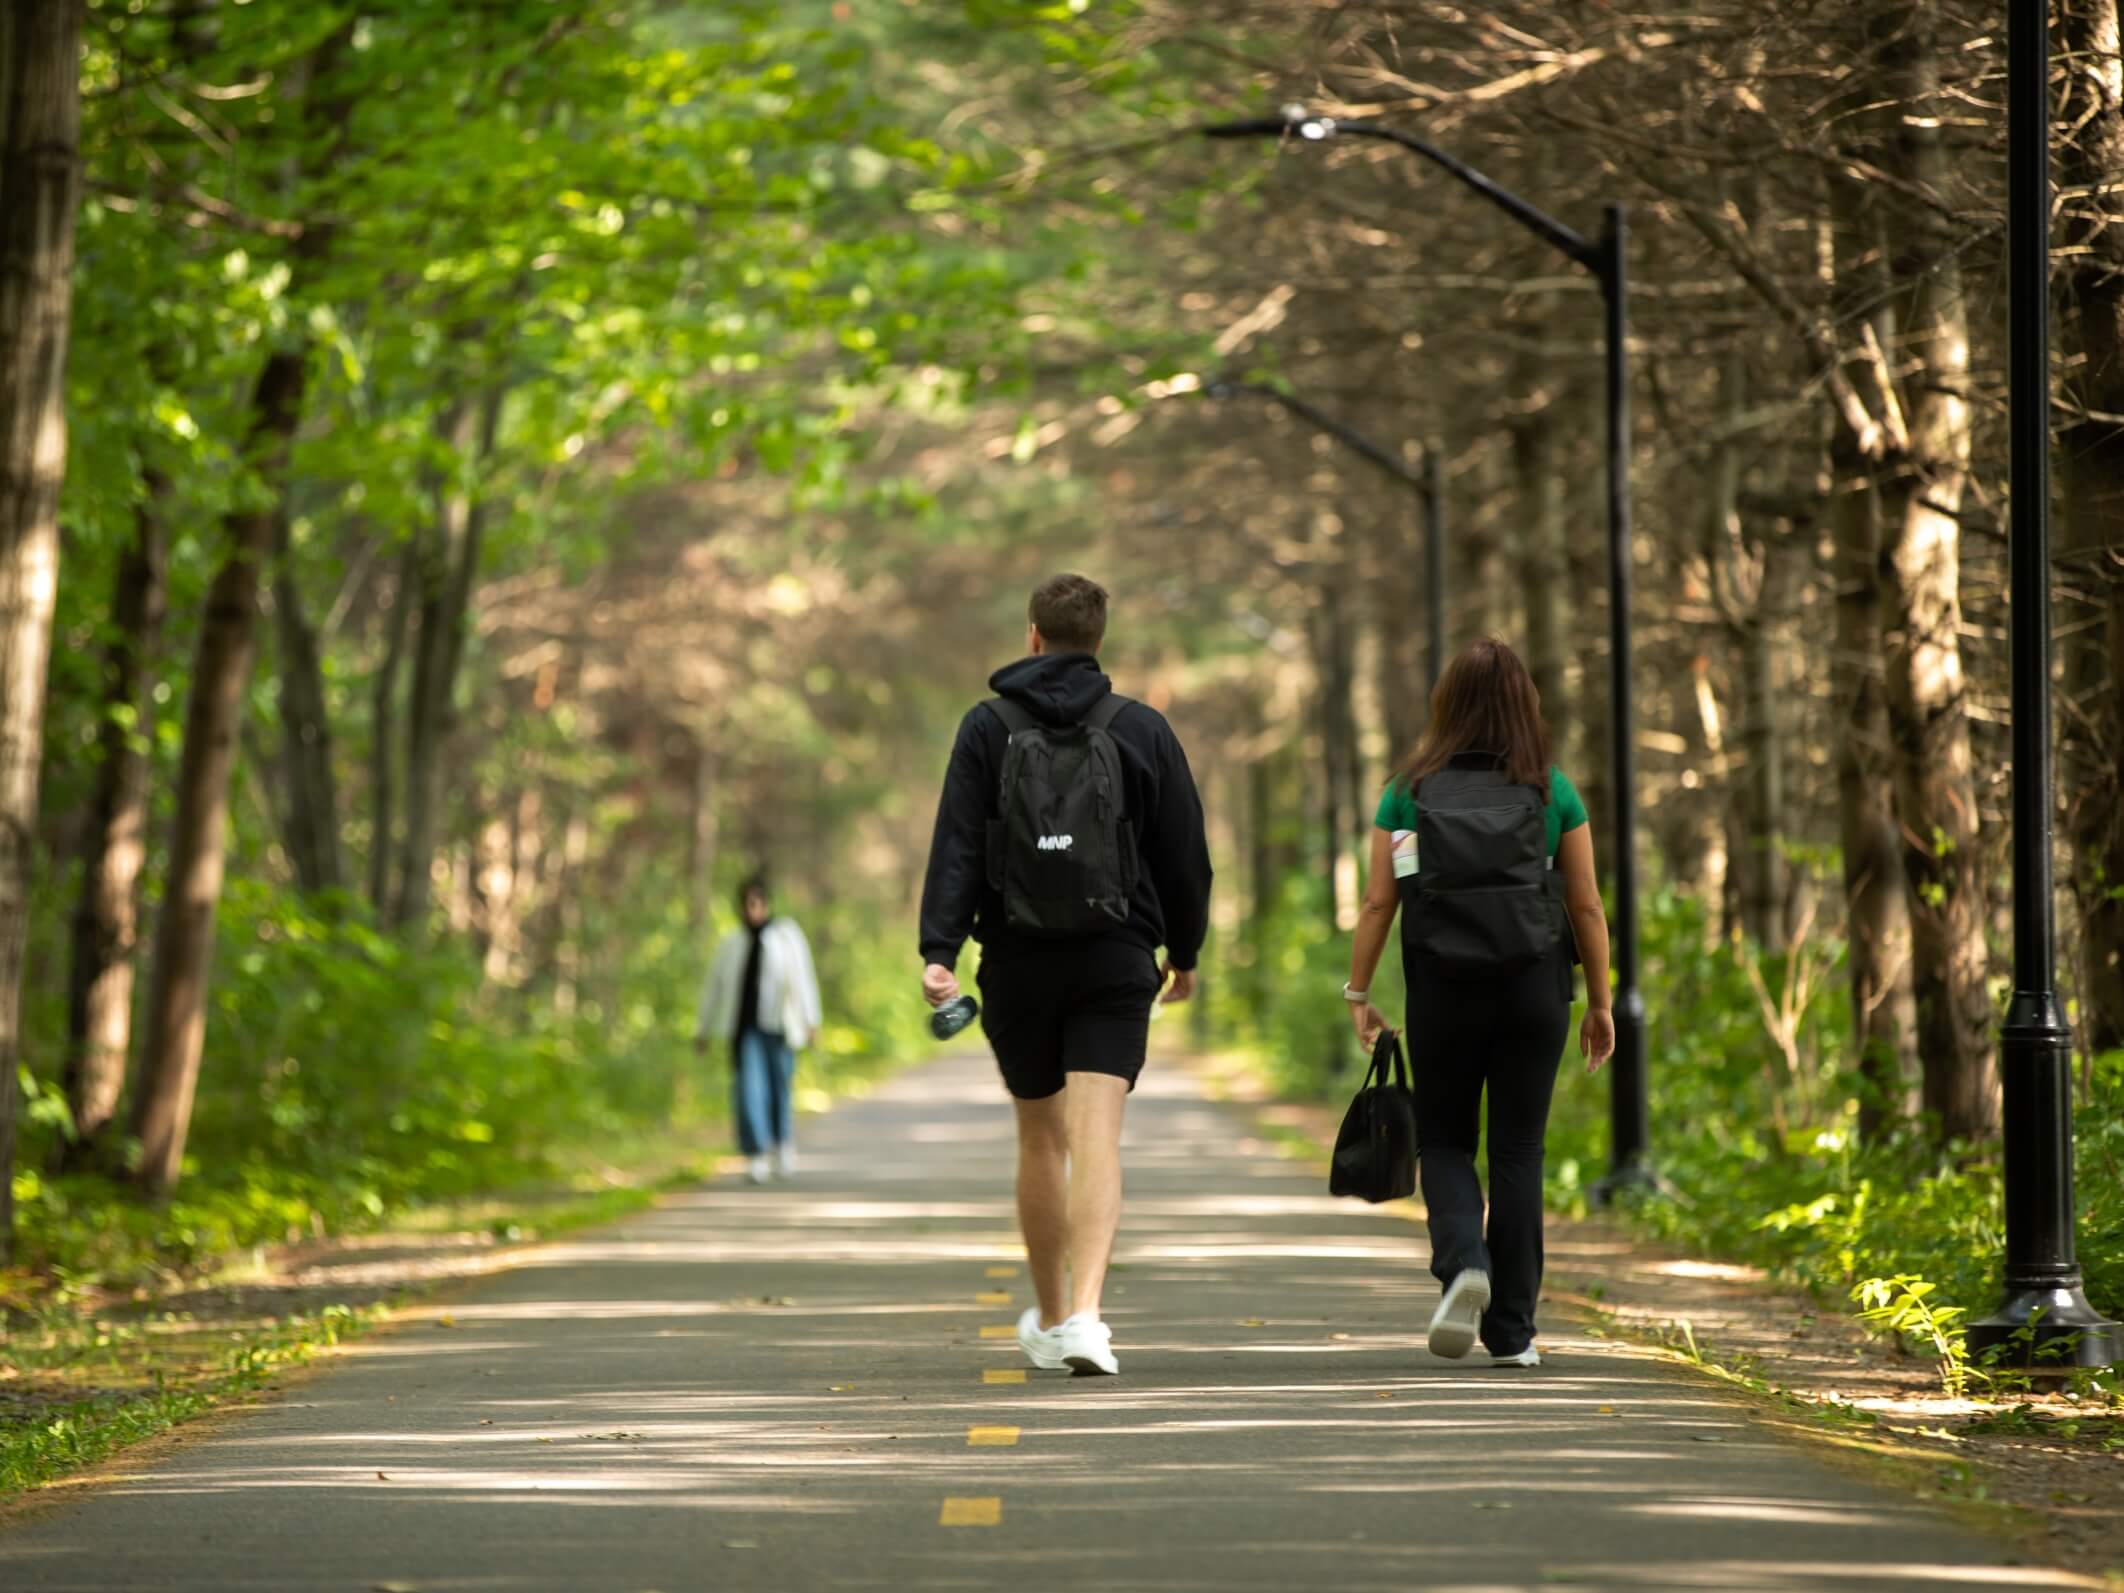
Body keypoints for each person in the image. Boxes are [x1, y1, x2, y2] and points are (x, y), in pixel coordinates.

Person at [918, 572, 1213, 1377]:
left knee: (1041, 1140)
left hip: (1016, 958)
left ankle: (1050, 1318)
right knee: (1098, 1138)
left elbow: (957, 845)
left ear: (1034, 636)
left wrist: (939, 950)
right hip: (1118, 956)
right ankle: (1087, 1314)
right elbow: (1184, 854)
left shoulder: (987, 726)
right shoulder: (1141, 728)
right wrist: (1184, 951)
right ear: (1099, 640)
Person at [1344, 637, 1614, 1368]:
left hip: (1442, 986)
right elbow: (1585, 906)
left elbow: (1378, 902)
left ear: (1447, 705)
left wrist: (1359, 991)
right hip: (1534, 987)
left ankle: (1465, 1260)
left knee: (1446, 1139)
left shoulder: (1409, 791)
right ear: (1524, 703)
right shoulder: (1549, 788)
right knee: (1520, 1150)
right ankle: (1514, 1333)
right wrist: (1600, 1001)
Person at [696, 873, 823, 1184]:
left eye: (758, 902)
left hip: (780, 1026)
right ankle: (756, 1153)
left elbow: (803, 978)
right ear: (740, 907)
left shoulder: (786, 936)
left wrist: (811, 1020)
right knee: (749, 1090)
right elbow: (713, 988)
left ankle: (782, 1145)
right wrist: (703, 1028)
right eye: (747, 904)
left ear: (766, 904)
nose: (753, 909)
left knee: (779, 1087)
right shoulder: (731, 943)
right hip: (744, 1029)